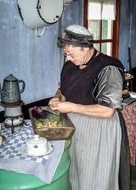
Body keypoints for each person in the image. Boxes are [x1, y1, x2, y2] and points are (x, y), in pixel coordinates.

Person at [49, 24, 130, 190]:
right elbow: (63, 89)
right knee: (76, 172)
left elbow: (108, 110)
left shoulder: (109, 68)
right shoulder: (70, 64)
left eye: (70, 54)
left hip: (99, 129)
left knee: (94, 177)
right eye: (66, 54)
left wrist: (70, 106)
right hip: (74, 127)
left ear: (85, 48)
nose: (68, 59)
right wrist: (57, 98)